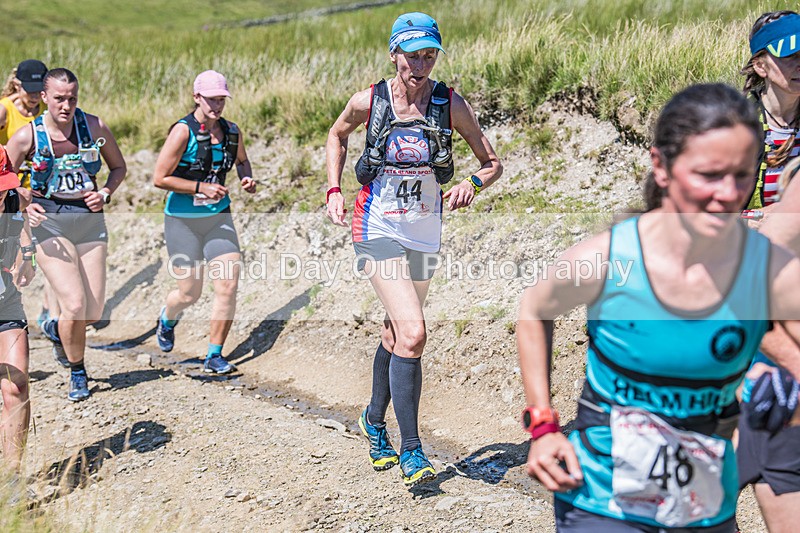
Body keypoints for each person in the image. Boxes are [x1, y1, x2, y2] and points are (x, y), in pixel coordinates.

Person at [517, 83, 800, 532]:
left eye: (742, 175)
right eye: (709, 175)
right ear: (661, 167)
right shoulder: (609, 260)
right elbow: (534, 309)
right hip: (601, 499)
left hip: (704, 505)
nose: (728, 194)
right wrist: (543, 424)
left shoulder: (768, 269)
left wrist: (785, 389)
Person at [325, 12, 502, 487]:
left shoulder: (450, 103)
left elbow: (492, 163)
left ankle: (372, 422)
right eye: (412, 54)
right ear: (393, 53)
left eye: (430, 55)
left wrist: (470, 183)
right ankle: (412, 449)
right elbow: (336, 134)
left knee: (396, 335)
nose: (420, 64)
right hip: (375, 222)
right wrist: (333, 189)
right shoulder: (370, 100)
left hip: (424, 230)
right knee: (415, 332)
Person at [6, 68, 127, 402]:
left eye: (72, 98)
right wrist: (23, 205)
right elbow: (6, 176)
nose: (66, 105)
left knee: (92, 312)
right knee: (73, 304)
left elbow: (119, 167)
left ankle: (53, 329)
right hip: (49, 223)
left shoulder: (95, 127)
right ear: (44, 97)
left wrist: (105, 193)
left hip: (89, 222)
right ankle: (78, 371)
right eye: (59, 98)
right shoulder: (27, 136)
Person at [152, 70, 256, 374]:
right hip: (182, 221)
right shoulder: (182, 132)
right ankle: (167, 318)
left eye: (221, 99)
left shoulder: (232, 131)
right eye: (211, 99)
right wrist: (200, 187)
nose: (217, 105)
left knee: (227, 285)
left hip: (218, 218)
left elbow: (242, 160)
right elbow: (160, 178)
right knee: (190, 292)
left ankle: (214, 354)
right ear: (197, 97)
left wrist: (246, 177)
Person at [0, 59, 60, 329]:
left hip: (39, 193)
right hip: (8, 195)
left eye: (40, 89)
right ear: (16, 84)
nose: (36, 96)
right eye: (30, 89)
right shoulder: (5, 111)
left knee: (50, 248)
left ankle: (49, 312)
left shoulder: (50, 109)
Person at [742, 10, 800, 210]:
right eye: (790, 55)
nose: (799, 63)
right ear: (760, 66)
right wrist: (760, 218)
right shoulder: (739, 126)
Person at [0, 145, 36, 471]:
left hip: (5, 300)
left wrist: (27, 252)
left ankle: (12, 482)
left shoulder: (13, 197)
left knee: (16, 384)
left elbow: (21, 205)